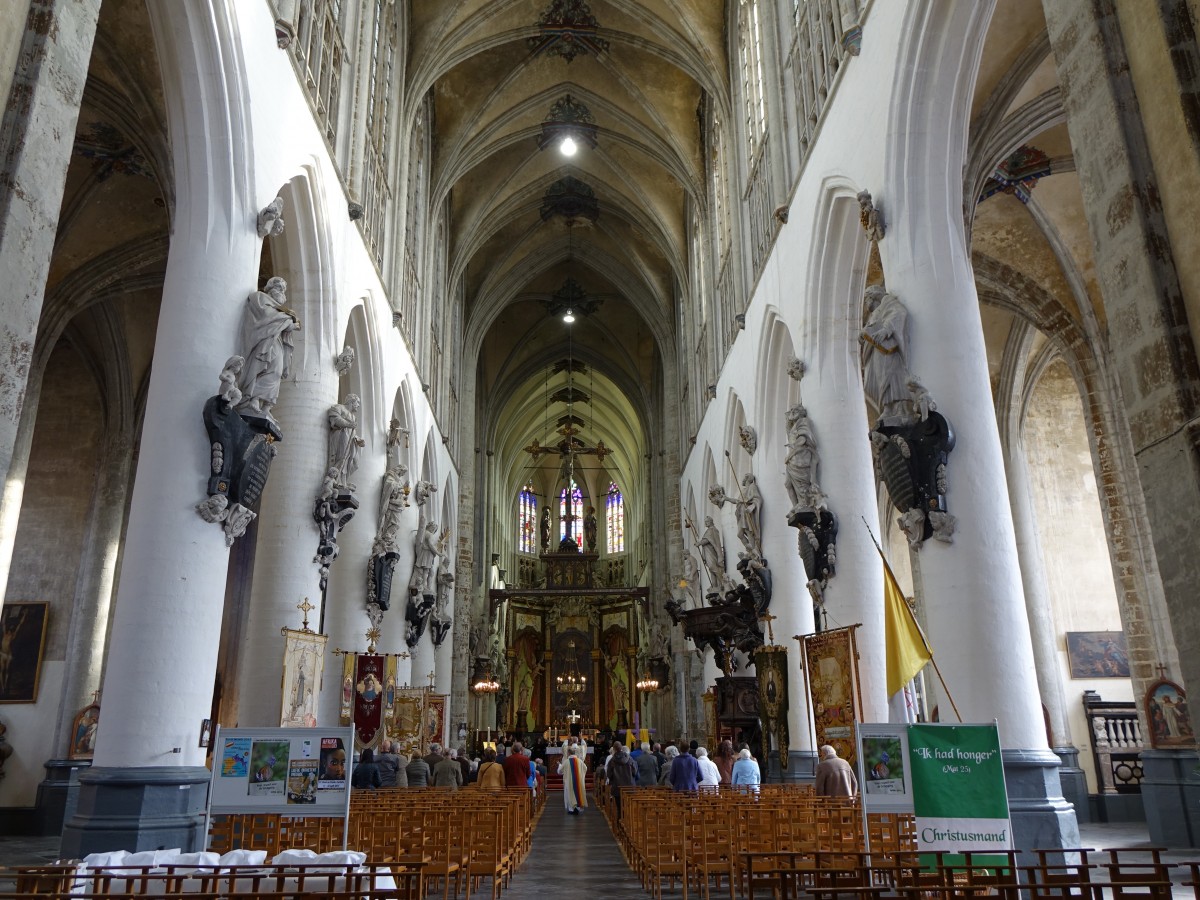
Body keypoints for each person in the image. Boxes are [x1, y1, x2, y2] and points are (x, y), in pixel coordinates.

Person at [236, 276, 300, 423]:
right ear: (270, 288)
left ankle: (266, 407)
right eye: (279, 287)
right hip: (264, 341)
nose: (282, 291)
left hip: (276, 340)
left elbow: (280, 322)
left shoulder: (280, 310)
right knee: (264, 368)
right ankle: (253, 399)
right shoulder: (259, 298)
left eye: (283, 289)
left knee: (276, 372)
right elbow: (266, 316)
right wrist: (287, 319)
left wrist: (290, 323)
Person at [859, 285, 911, 424]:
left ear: (873, 296)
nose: (866, 304)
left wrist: (886, 330)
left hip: (889, 348)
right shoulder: (876, 312)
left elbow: (899, 313)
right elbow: (872, 325)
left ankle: (900, 407)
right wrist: (863, 335)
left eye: (866, 300)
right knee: (880, 377)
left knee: (892, 376)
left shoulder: (889, 302)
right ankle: (887, 408)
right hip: (878, 349)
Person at [326, 394, 365, 491]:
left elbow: (353, 431)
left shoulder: (353, 416)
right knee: (341, 458)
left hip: (351, 440)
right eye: (357, 402)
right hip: (342, 436)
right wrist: (348, 424)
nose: (358, 405)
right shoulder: (339, 407)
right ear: (352, 401)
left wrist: (358, 439)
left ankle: (343, 480)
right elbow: (334, 418)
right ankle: (338, 481)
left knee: (354, 463)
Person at [605, 743, 637, 816]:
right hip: (629, 787)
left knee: (619, 808)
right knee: (629, 807)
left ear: (614, 749)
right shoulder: (630, 759)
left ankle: (620, 823)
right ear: (622, 748)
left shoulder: (612, 761)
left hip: (617, 787)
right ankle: (629, 823)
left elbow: (609, 774)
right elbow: (634, 771)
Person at [560, 744, 589, 814]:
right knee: (578, 792)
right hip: (578, 780)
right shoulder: (580, 761)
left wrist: (560, 766)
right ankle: (578, 808)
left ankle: (571, 809)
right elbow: (585, 768)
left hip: (569, 781)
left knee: (569, 794)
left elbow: (560, 771)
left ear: (569, 753)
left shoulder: (566, 761)